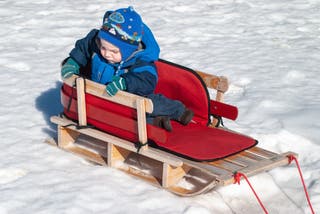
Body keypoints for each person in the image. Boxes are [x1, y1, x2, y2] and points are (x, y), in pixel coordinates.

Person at [61, 6, 193, 131]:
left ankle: (178, 110)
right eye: (103, 47)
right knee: (123, 117)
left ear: (128, 50)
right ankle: (157, 122)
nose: (106, 54)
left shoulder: (140, 61)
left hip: (132, 94)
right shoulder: (96, 42)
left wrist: (125, 82)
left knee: (149, 104)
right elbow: (85, 47)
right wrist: (74, 61)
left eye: (114, 51)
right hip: (107, 98)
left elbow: (146, 81)